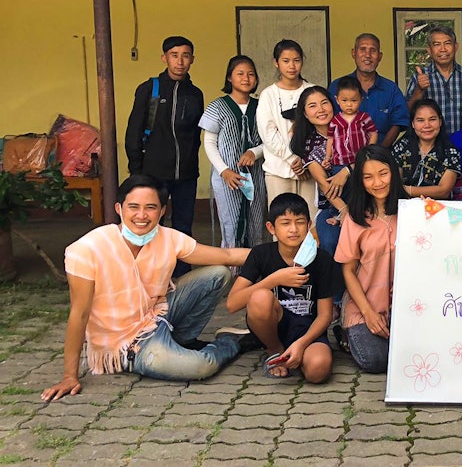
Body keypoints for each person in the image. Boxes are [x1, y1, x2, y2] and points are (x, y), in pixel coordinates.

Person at [41, 176, 252, 402]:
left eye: (150, 208)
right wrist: (68, 376)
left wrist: (284, 256)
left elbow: (228, 256)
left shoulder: (168, 237)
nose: (141, 216)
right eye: (134, 207)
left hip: (156, 316)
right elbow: (79, 314)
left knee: (218, 273)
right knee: (201, 366)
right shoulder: (87, 249)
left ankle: (181, 340)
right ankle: (231, 342)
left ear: (162, 211)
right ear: (119, 208)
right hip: (127, 344)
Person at [226, 193, 343, 381]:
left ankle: (295, 352)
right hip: (275, 325)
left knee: (318, 370)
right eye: (285, 223)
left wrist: (302, 344)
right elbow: (232, 304)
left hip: (309, 329)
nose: (294, 229)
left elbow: (325, 315)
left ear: (309, 224)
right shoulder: (260, 254)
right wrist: (274, 279)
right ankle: (275, 351)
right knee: (259, 296)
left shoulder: (321, 259)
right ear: (271, 227)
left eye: (300, 222)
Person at [124, 36, 203, 278]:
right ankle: (149, 272)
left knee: (183, 226)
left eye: (185, 56)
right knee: (150, 225)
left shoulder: (195, 93)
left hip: (187, 173)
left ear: (192, 60)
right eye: (174, 55)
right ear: (164, 58)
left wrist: (191, 160)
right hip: (153, 172)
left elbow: (196, 133)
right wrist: (137, 171)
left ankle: (182, 274)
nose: (180, 61)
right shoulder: (150, 89)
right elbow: (134, 130)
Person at [334, 145, 408, 373]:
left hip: (406, 305)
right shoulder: (355, 219)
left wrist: (428, 213)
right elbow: (348, 271)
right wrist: (367, 312)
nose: (377, 183)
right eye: (368, 177)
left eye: (383, 174)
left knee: (408, 356)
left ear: (394, 173)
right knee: (376, 360)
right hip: (365, 304)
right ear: (360, 181)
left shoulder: (411, 211)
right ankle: (345, 331)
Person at [199, 55, 267, 248]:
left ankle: (255, 272)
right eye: (240, 74)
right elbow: (210, 143)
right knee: (231, 226)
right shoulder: (217, 106)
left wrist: (255, 152)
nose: (246, 78)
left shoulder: (262, 106)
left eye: (251, 74)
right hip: (226, 176)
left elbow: (270, 140)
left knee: (256, 224)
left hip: (256, 175)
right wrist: (224, 171)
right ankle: (232, 273)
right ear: (229, 77)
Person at [256, 40, 317, 218]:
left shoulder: (312, 90)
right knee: (282, 222)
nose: (292, 66)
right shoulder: (269, 94)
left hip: (309, 170)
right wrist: (292, 158)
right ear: (276, 62)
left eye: (296, 60)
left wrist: (305, 161)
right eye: (286, 60)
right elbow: (268, 133)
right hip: (278, 169)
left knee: (310, 222)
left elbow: (319, 129)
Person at [289, 87, 349, 260]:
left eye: (324, 103)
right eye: (313, 106)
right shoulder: (310, 144)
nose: (321, 110)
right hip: (334, 206)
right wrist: (345, 211)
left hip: (365, 199)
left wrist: (347, 170)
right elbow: (324, 184)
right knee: (330, 241)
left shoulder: (350, 127)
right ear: (305, 114)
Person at [329, 33, 409, 148]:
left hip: (381, 155)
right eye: (362, 49)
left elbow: (398, 123)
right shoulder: (337, 86)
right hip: (344, 156)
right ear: (353, 53)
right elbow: (328, 122)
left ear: (380, 56)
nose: (367, 55)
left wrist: (379, 152)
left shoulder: (391, 89)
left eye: (373, 50)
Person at [405, 26, 462, 133]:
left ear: (456, 47)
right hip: (431, 145)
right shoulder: (419, 77)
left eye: (447, 43)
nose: (443, 49)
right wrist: (418, 91)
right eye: (437, 44)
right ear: (429, 50)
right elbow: (405, 113)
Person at [325, 75, 378, 224]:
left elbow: (373, 133)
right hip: (339, 162)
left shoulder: (364, 118)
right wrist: (327, 157)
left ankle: (358, 213)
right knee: (340, 189)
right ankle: (338, 214)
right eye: (344, 101)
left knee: (358, 188)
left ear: (361, 99)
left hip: (359, 161)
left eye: (354, 101)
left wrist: (370, 149)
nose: (349, 105)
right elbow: (330, 139)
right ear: (337, 100)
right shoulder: (335, 120)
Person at [392, 98, 461, 199]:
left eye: (432, 119)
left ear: (440, 121)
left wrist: (408, 190)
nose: (427, 125)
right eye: (420, 120)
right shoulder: (401, 147)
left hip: (438, 209)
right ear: (412, 123)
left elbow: (444, 191)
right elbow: (394, 184)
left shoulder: (451, 152)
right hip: (404, 208)